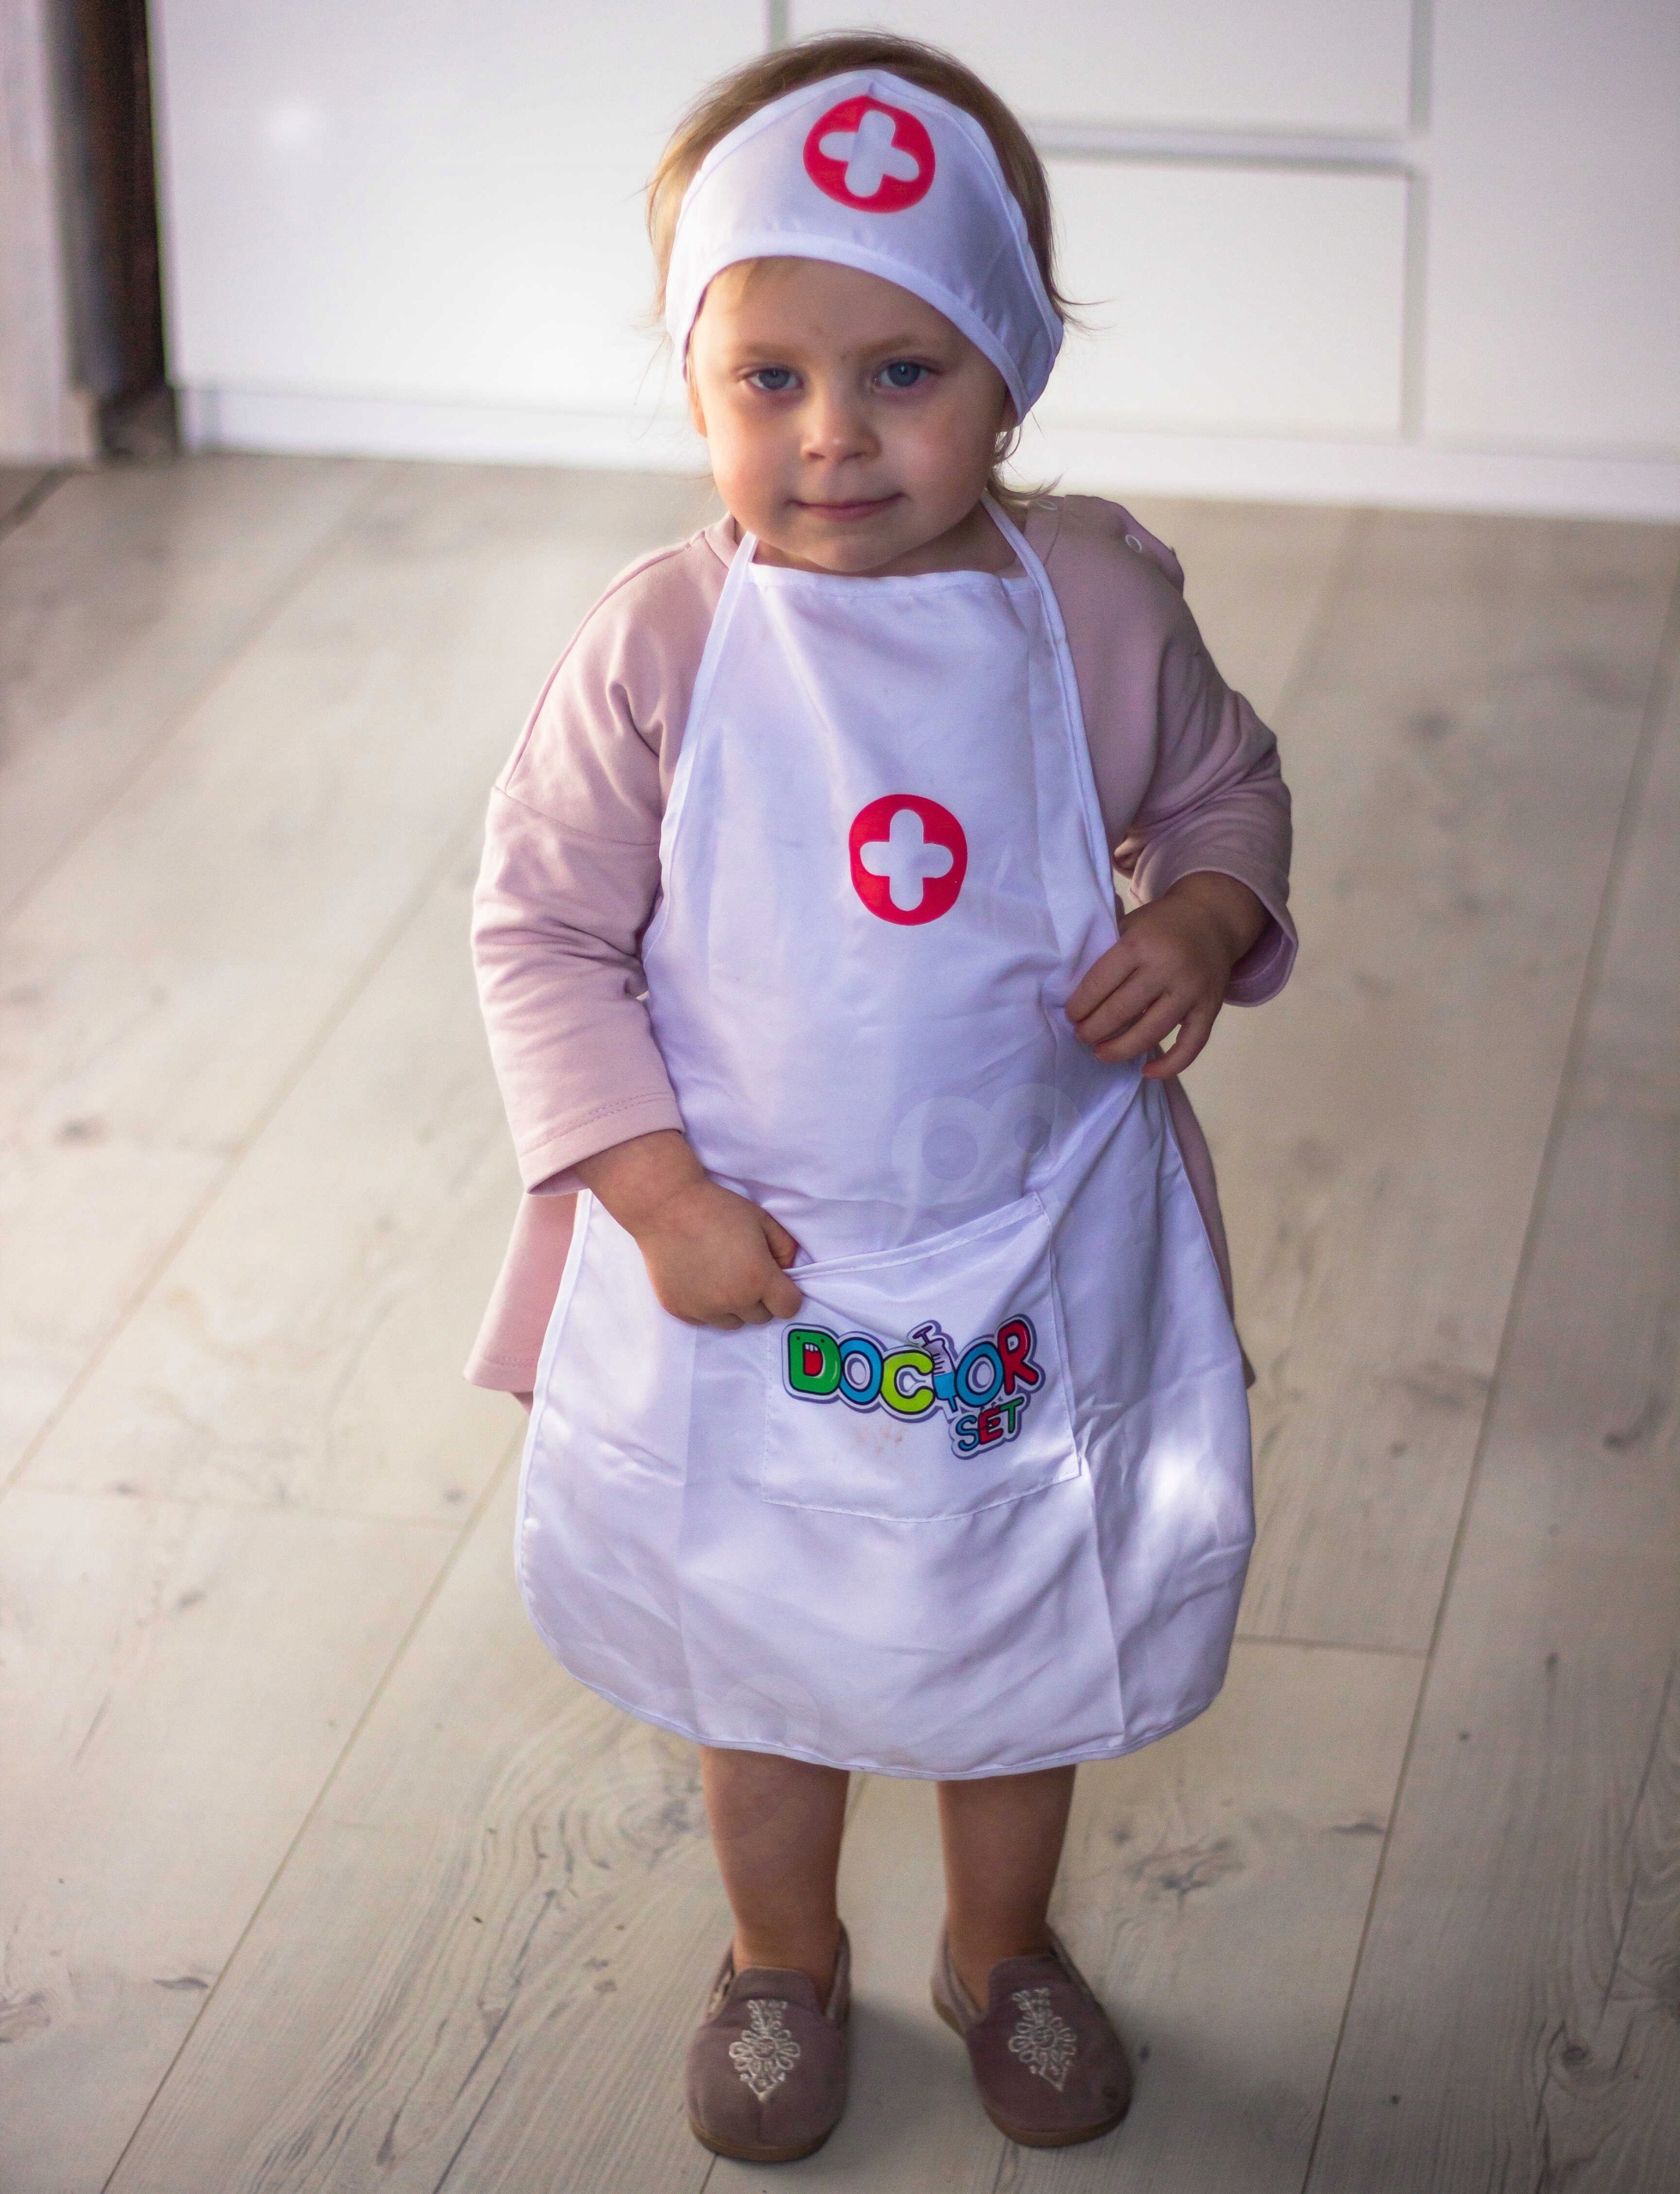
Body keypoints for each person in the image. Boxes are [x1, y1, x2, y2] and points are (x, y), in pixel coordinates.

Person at [468, 32, 1294, 2167]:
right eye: (769, 378)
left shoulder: (1091, 605)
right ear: (693, 382)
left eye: (902, 372)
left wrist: (1201, 918)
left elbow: (1225, 790)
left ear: (1009, 371)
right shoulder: (659, 648)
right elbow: (539, 934)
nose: (831, 434)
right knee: (761, 1647)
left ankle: (998, 1946)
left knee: (1015, 1626)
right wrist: (654, 1192)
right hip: (745, 1256)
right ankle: (780, 1955)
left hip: (1033, 1231)